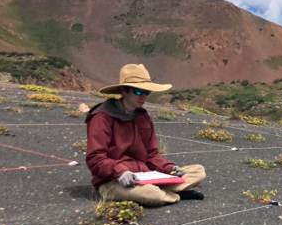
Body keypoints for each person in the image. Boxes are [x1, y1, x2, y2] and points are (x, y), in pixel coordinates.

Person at [86, 63, 206, 206]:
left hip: (145, 175)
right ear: (124, 91)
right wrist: (120, 172)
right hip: (113, 180)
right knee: (151, 194)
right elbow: (95, 158)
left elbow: (152, 156)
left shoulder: (143, 117)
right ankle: (172, 194)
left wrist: (170, 168)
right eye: (138, 91)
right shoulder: (102, 116)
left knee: (198, 171)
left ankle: (162, 189)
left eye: (147, 92)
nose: (143, 96)